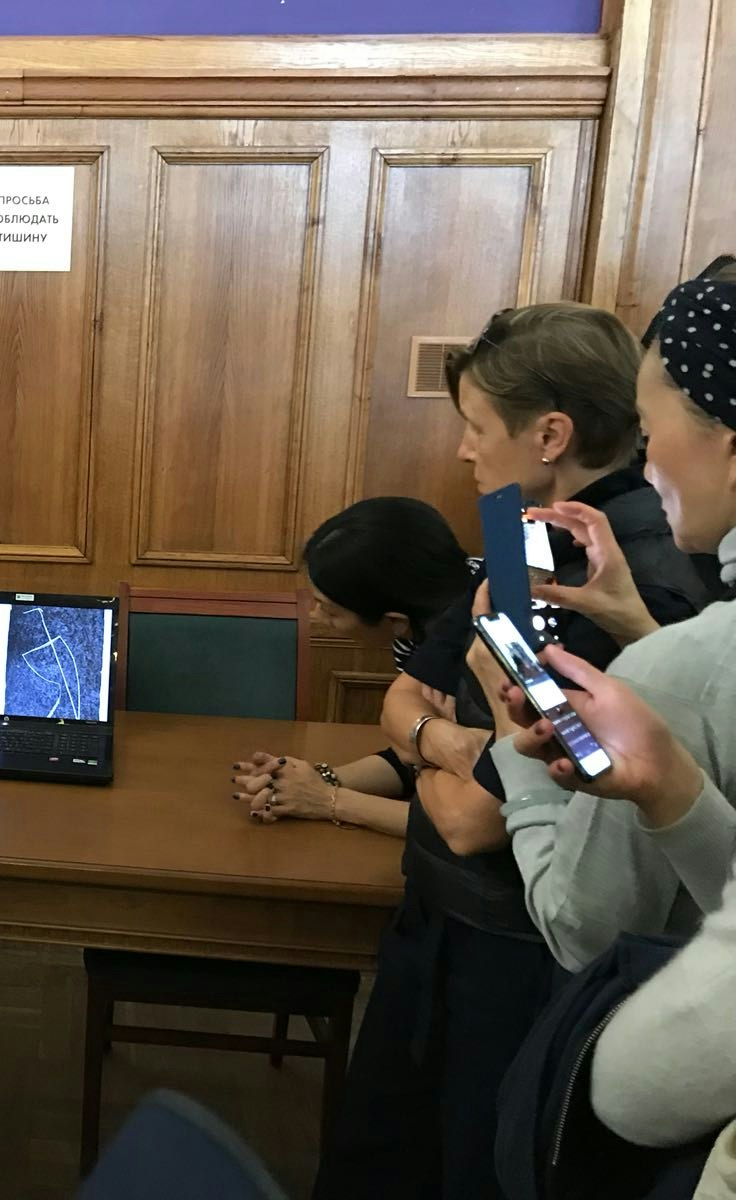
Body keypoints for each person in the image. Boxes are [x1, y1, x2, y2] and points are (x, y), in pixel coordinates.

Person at [316, 302, 710, 1200]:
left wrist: (438, 746)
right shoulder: (514, 526)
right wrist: (443, 739)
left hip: (518, 957)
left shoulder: (638, 571)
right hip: (439, 930)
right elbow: (408, 689)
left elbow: (478, 821)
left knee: (473, 1172)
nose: (462, 450)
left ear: (550, 433)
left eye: (475, 427)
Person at [472, 269, 736, 1156]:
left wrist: (509, 743)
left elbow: (584, 928)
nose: (647, 460)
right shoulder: (681, 633)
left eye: (654, 433)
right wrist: (642, 628)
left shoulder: (684, 662)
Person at [232, 497, 474, 836]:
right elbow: (420, 755)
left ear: (394, 621)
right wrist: (316, 779)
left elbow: (477, 825)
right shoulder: (432, 613)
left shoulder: (486, 657)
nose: (315, 617)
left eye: (330, 611)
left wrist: (329, 800)